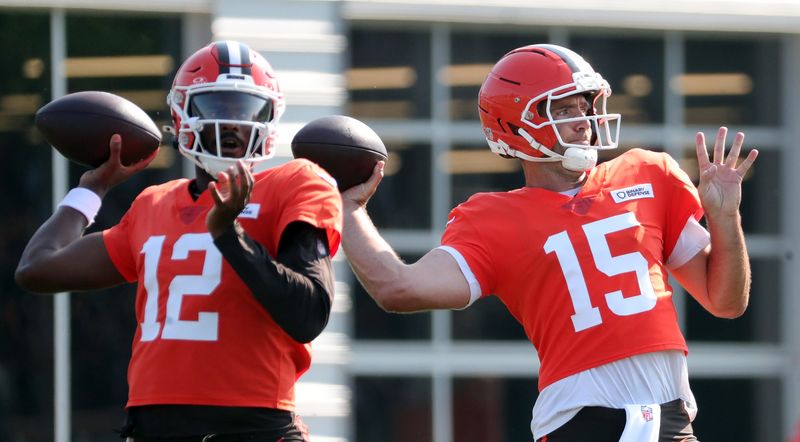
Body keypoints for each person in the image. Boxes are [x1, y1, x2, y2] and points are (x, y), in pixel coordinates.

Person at [341, 43, 758, 441]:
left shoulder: (649, 174)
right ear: (514, 124)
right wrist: (347, 209)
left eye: (584, 105)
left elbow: (726, 301)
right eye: (562, 108)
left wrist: (726, 218)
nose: (582, 119)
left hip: (670, 417)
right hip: (581, 420)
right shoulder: (490, 218)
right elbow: (398, 288)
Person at [15, 40, 342, 442]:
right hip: (154, 428)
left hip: (251, 428)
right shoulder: (154, 203)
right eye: (218, 107)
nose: (234, 123)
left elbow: (308, 314)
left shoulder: (296, 182)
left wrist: (229, 235)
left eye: (247, 109)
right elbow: (37, 268)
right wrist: (91, 190)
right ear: (181, 114)